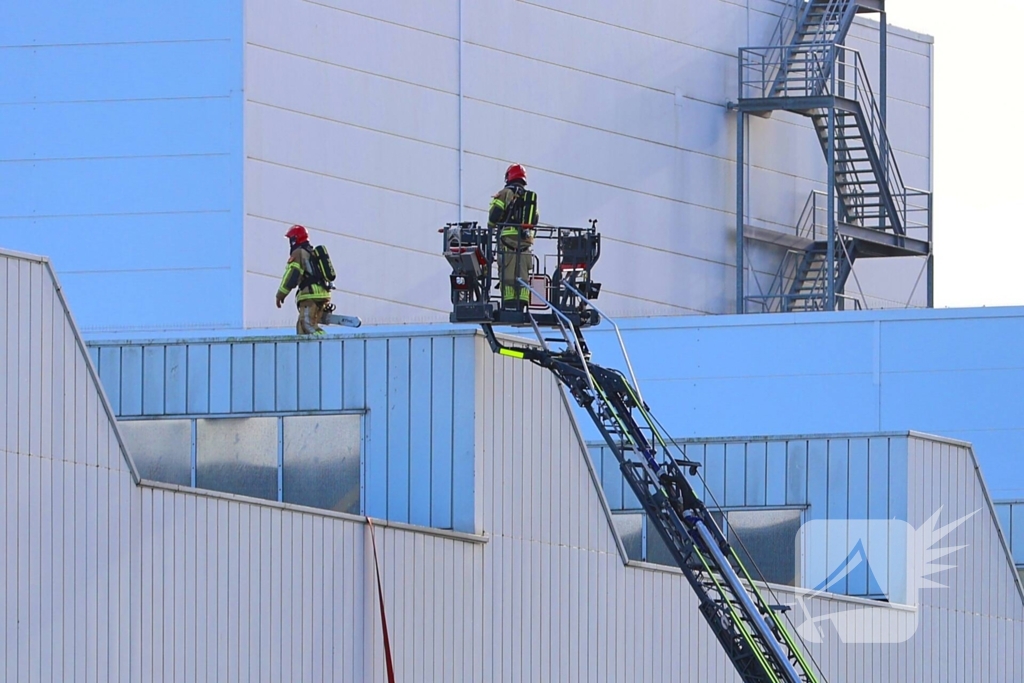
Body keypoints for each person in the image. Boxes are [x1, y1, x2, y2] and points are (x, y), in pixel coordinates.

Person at [488, 163, 539, 311]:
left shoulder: (505, 193)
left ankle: (509, 304)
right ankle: (522, 303)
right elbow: (535, 219)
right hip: (525, 242)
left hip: (507, 240)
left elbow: (495, 215)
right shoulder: (530, 198)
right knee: (523, 274)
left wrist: (491, 227)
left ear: (508, 177)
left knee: (507, 274)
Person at [276, 224, 331, 335]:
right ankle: (306, 352)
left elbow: (292, 275)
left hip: (310, 295)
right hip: (322, 293)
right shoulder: (311, 252)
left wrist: (280, 295)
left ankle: (326, 343)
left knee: (308, 325)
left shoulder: (298, 253)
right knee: (301, 326)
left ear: (295, 239)